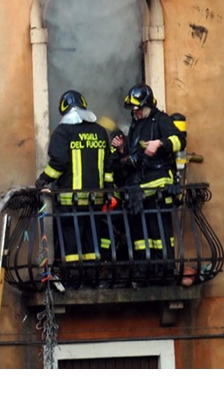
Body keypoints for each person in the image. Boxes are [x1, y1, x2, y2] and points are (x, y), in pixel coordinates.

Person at [36, 90, 113, 281]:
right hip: (95, 199)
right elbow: (109, 166)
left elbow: (58, 163)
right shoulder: (100, 131)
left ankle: (73, 279)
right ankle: (92, 277)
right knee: (90, 240)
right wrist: (108, 190)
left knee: (70, 242)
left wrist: (43, 179)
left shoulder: (63, 132)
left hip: (71, 199)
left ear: (64, 109)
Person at [112, 84, 186, 279]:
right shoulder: (137, 125)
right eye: (133, 109)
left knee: (159, 232)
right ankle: (145, 269)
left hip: (159, 188)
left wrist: (160, 143)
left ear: (146, 104)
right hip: (141, 189)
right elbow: (137, 156)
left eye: (137, 108)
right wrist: (123, 151)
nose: (134, 112)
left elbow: (179, 141)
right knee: (141, 235)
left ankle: (165, 270)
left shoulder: (161, 120)